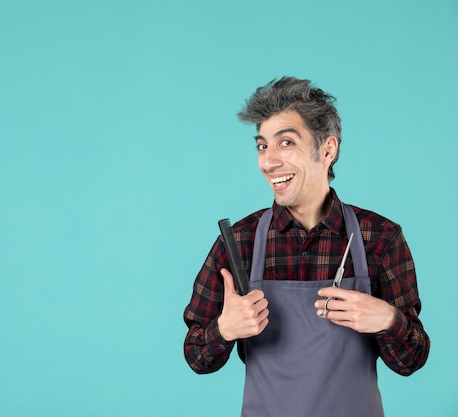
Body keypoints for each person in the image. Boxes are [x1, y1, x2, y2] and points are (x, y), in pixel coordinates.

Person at [183, 77, 430, 417]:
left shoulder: (380, 239)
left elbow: (411, 360)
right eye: (261, 146)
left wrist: (388, 319)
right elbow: (197, 356)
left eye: (285, 143)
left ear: (328, 149)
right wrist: (224, 330)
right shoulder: (239, 241)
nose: (268, 162)